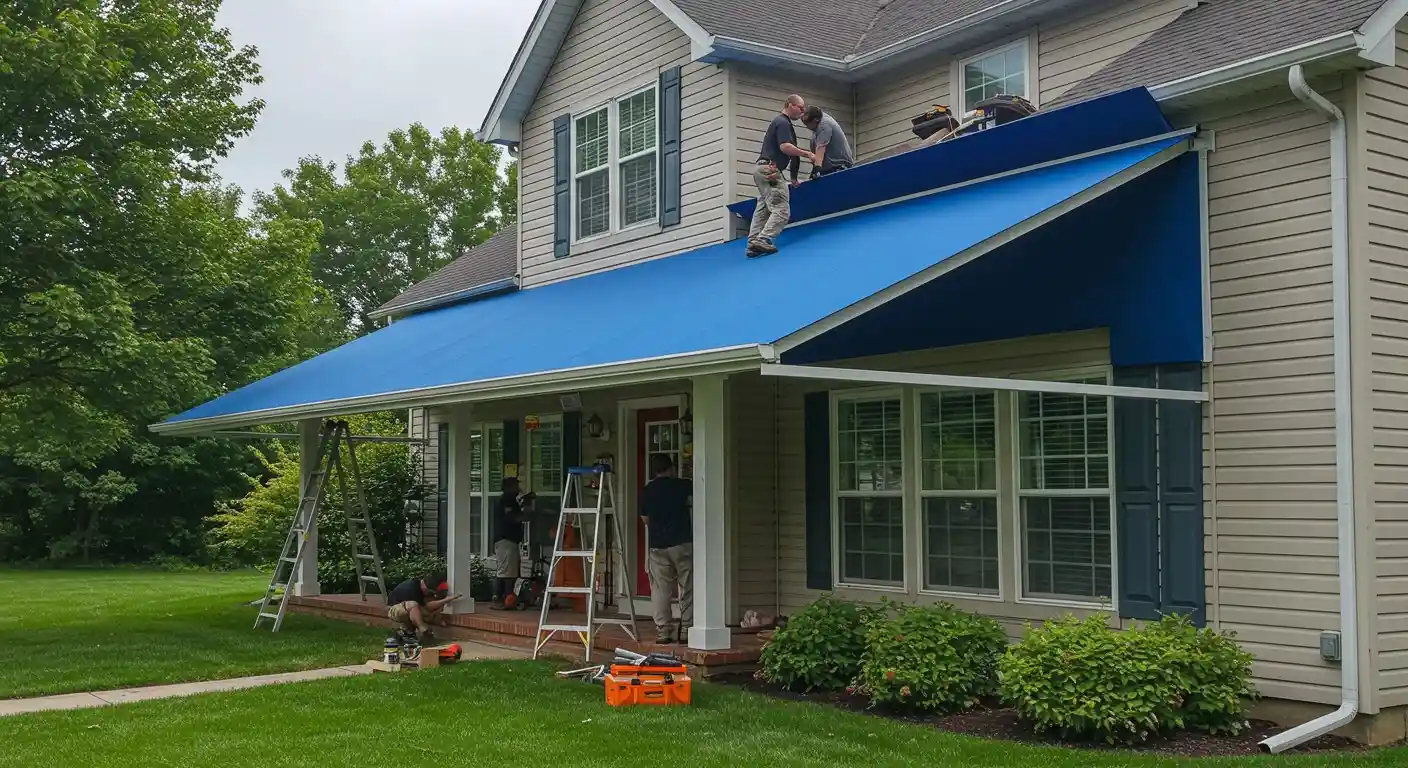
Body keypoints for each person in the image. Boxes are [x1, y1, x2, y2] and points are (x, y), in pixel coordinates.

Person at [747, 94, 811, 258]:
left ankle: (752, 243)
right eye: (800, 108)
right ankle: (763, 238)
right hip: (771, 170)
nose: (802, 112)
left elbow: (793, 156)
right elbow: (786, 148)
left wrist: (794, 178)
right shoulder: (782, 122)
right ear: (790, 105)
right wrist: (808, 154)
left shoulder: (784, 125)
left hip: (760, 169)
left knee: (763, 207)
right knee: (782, 209)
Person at [640, 454, 693, 644]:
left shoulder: (648, 490)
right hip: (682, 543)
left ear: (654, 471)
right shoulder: (682, 485)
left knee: (661, 590)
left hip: (658, 546)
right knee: (687, 587)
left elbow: (645, 519)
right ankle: (686, 629)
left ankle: (663, 631)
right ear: (671, 468)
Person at [490, 476, 532, 610]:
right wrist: (527, 507)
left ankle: (504, 598)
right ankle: (503, 598)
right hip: (506, 540)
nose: (518, 488)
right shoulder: (507, 500)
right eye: (515, 485)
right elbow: (514, 518)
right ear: (508, 487)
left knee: (507, 571)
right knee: (507, 573)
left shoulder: (510, 500)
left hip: (507, 540)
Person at [386, 572, 458, 644]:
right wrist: (424, 624)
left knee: (425, 610)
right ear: (426, 588)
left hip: (410, 609)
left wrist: (446, 600)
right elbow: (415, 611)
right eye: (432, 593)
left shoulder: (421, 588)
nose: (433, 595)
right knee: (413, 605)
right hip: (394, 610)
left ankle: (410, 634)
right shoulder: (411, 589)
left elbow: (427, 607)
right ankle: (422, 630)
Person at [801, 105, 853, 180]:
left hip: (840, 167)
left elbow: (821, 147)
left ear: (815, 120)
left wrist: (817, 169)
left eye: (807, 124)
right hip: (828, 168)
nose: (807, 127)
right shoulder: (817, 121)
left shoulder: (824, 125)